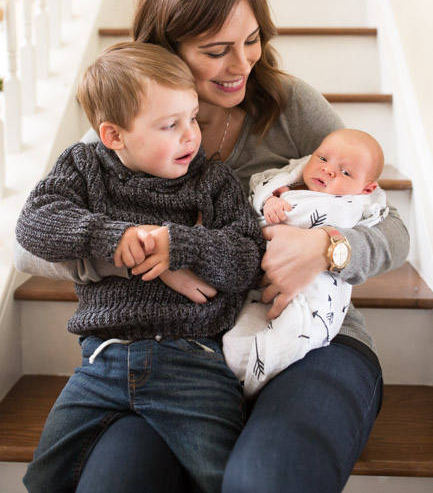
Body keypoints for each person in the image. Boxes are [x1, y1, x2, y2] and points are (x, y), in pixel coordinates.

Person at [14, 0, 409, 493]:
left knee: (263, 479)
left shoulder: (289, 104)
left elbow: (390, 224)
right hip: (174, 355)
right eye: (217, 49)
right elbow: (32, 242)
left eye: (251, 40)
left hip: (308, 341)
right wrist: (145, 256)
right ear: (167, 47)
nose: (242, 63)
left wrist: (324, 250)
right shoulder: (127, 118)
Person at [16, 42, 266, 493]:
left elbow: (249, 258)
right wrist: (115, 237)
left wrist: (181, 244)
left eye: (193, 117)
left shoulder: (213, 181)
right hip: (102, 360)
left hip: (193, 362)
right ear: (114, 135)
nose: (191, 135)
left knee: (226, 478)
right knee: (44, 480)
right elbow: (35, 223)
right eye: (171, 125)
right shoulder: (84, 164)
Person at [223, 128, 388, 398]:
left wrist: (324, 244)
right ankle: (242, 378)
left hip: (314, 290)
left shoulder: (350, 205)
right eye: (322, 159)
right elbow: (264, 193)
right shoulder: (287, 184)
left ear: (367, 188)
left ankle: (257, 380)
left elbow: (385, 233)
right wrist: (271, 201)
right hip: (257, 288)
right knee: (239, 339)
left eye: (346, 173)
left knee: (292, 332)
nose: (329, 171)